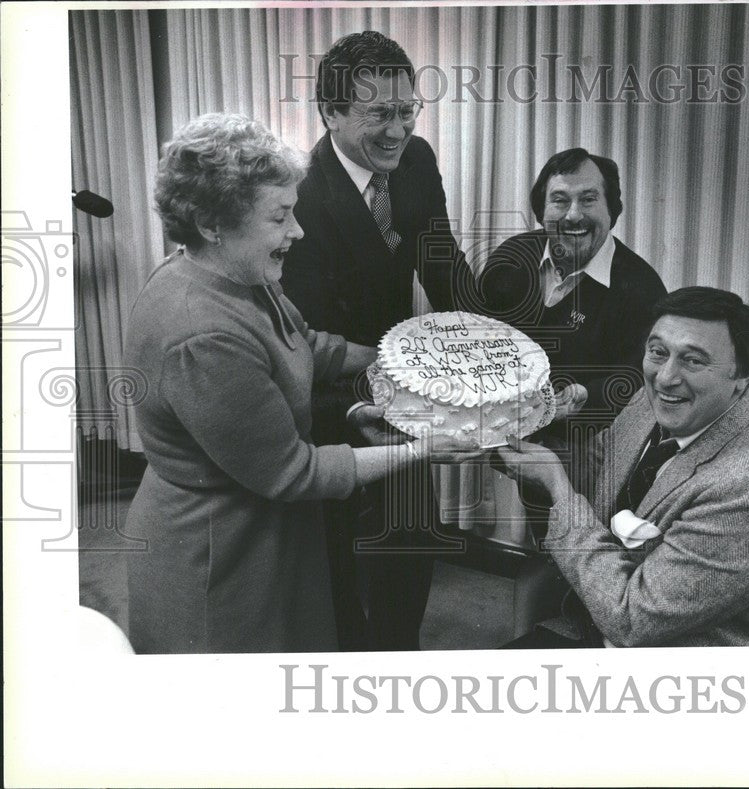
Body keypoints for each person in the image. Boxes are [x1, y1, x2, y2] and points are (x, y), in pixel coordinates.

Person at [124, 113, 475, 654]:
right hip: (220, 558)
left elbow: (303, 343)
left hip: (269, 538)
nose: (298, 231)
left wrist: (393, 369)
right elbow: (293, 471)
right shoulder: (200, 331)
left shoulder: (231, 273)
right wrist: (422, 448)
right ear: (213, 223)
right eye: (281, 217)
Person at [279, 31, 468, 651]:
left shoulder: (416, 162)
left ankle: (398, 655)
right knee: (330, 550)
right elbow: (306, 336)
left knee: (412, 530)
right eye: (379, 114)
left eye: (407, 110)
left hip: (401, 378)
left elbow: (441, 266)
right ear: (331, 113)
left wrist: (493, 349)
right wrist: (366, 390)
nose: (398, 130)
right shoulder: (299, 194)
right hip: (327, 393)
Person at [496, 287, 749, 647]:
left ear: (746, 374)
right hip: (597, 620)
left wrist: (557, 487)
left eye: (693, 360)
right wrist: (505, 437)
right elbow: (601, 467)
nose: (664, 377)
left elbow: (632, 620)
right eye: (658, 352)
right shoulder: (653, 400)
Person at [477, 148, 666, 417]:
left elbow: (640, 381)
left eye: (588, 199)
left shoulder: (642, 289)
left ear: (612, 209)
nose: (573, 215)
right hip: (497, 428)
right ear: (541, 212)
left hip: (584, 442)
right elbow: (475, 337)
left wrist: (587, 399)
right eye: (560, 200)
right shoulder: (511, 256)